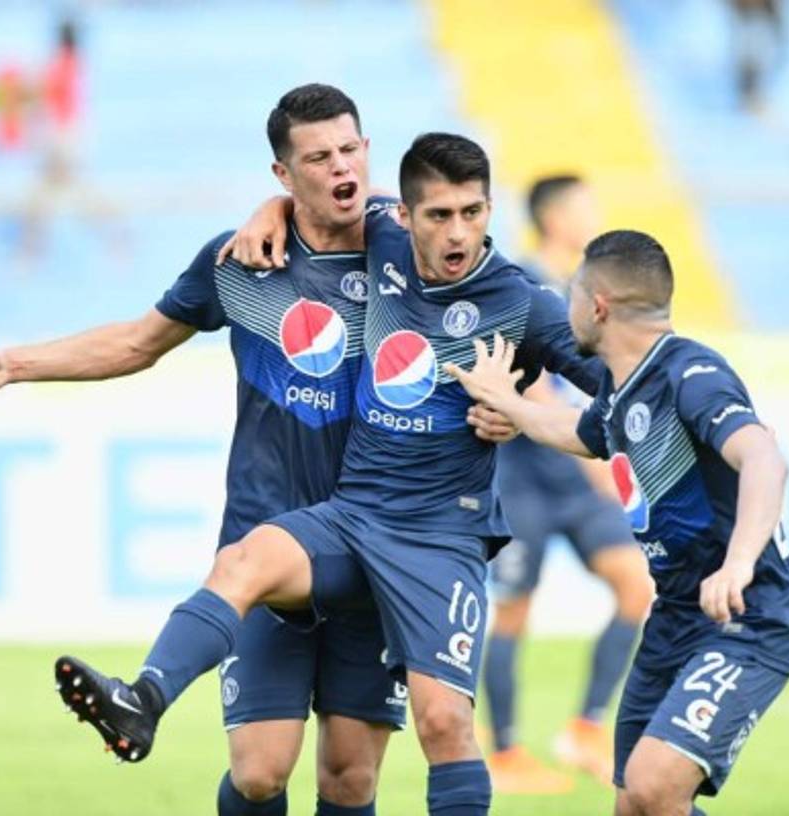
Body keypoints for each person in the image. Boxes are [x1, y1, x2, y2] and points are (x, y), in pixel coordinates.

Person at [0, 85, 517, 816]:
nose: (341, 167)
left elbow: (492, 297)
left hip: (381, 548)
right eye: (318, 158)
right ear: (283, 175)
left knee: (350, 778)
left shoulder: (407, 247)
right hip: (270, 540)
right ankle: (145, 699)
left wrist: (509, 406)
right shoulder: (242, 262)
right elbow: (136, 343)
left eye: (350, 149)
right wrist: (16, 364)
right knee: (259, 773)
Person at [62, 132, 607, 816]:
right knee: (243, 560)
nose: (457, 231)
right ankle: (141, 701)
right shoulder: (381, 238)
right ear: (404, 217)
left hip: (439, 537)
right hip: (355, 515)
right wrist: (270, 208)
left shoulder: (523, 301)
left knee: (435, 729)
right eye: (438, 215)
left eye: (472, 212)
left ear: (492, 209)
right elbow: (324, 197)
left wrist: (521, 411)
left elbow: (618, 397)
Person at [445, 230, 789, 816]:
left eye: (572, 293)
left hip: (743, 621)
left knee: (658, 787)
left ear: (598, 305)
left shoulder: (692, 373)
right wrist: (507, 404)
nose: (567, 307)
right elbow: (577, 432)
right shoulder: (622, 389)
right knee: (633, 804)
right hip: (674, 621)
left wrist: (737, 565)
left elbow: (763, 458)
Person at [483, 176, 651, 794]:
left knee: (635, 586)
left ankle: (585, 728)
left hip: (579, 485)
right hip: (525, 478)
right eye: (586, 206)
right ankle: (503, 752)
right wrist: (596, 460)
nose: (596, 216)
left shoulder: (589, 292)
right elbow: (533, 385)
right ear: (555, 219)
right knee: (513, 613)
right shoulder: (523, 283)